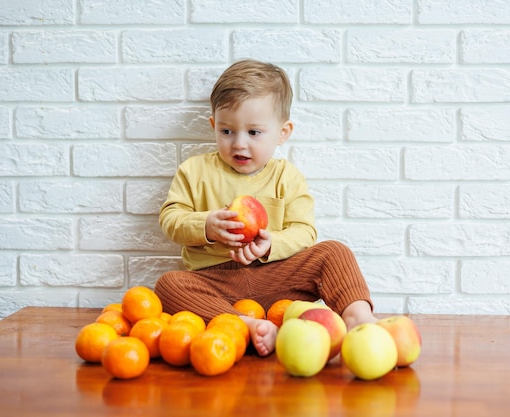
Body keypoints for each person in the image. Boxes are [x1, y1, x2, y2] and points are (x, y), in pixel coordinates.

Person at [154, 59, 377, 357]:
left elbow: (304, 232)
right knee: (169, 285)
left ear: (282, 132)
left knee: (334, 251)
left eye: (254, 133)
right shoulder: (194, 171)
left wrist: (272, 243)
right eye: (227, 131)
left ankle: (358, 319)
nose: (239, 144)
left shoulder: (287, 177)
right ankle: (244, 325)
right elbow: (170, 219)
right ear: (213, 125)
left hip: (275, 278)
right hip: (218, 283)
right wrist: (206, 225)